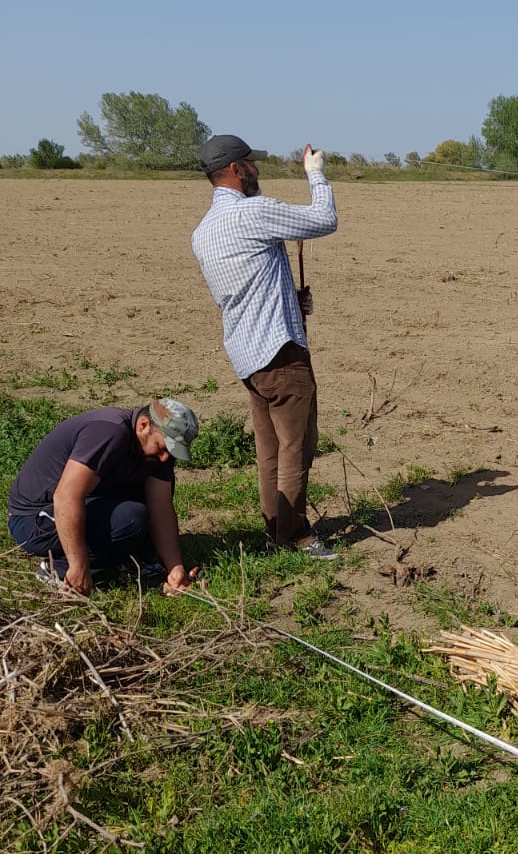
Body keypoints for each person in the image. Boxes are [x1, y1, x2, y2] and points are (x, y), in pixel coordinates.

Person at [191, 134, 338, 559]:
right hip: (282, 355)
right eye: (251, 164)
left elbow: (242, 289)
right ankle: (295, 536)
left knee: (269, 449)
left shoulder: (202, 233)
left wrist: (290, 299)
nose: (257, 170)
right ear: (235, 170)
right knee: (297, 447)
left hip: (248, 356)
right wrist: (315, 174)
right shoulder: (253, 211)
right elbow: (324, 219)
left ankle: (275, 527)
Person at [8, 398, 198, 595]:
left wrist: (175, 567)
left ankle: (130, 558)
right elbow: (66, 498)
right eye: (162, 447)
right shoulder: (109, 432)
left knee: (149, 494)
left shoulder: (159, 452)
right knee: (131, 518)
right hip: (34, 520)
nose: (165, 457)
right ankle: (59, 570)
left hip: (83, 500)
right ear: (143, 425)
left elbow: (161, 507)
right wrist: (78, 564)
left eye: (171, 452)